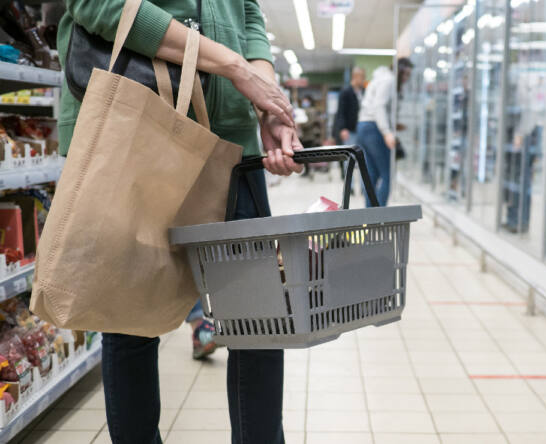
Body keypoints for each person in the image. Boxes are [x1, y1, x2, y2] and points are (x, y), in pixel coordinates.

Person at [57, 1, 302, 443]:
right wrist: (232, 67)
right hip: (131, 123)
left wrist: (269, 104)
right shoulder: (226, 70)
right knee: (130, 318)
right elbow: (97, 5)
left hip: (231, 138)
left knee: (260, 320)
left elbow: (247, 16)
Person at [357, 58, 413, 207]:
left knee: (372, 174)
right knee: (388, 174)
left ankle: (370, 215)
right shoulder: (389, 80)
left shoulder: (380, 79)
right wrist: (387, 131)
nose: (406, 78)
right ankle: (380, 215)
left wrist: (394, 125)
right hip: (374, 129)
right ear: (399, 70)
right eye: (406, 74)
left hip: (364, 127)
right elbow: (379, 106)